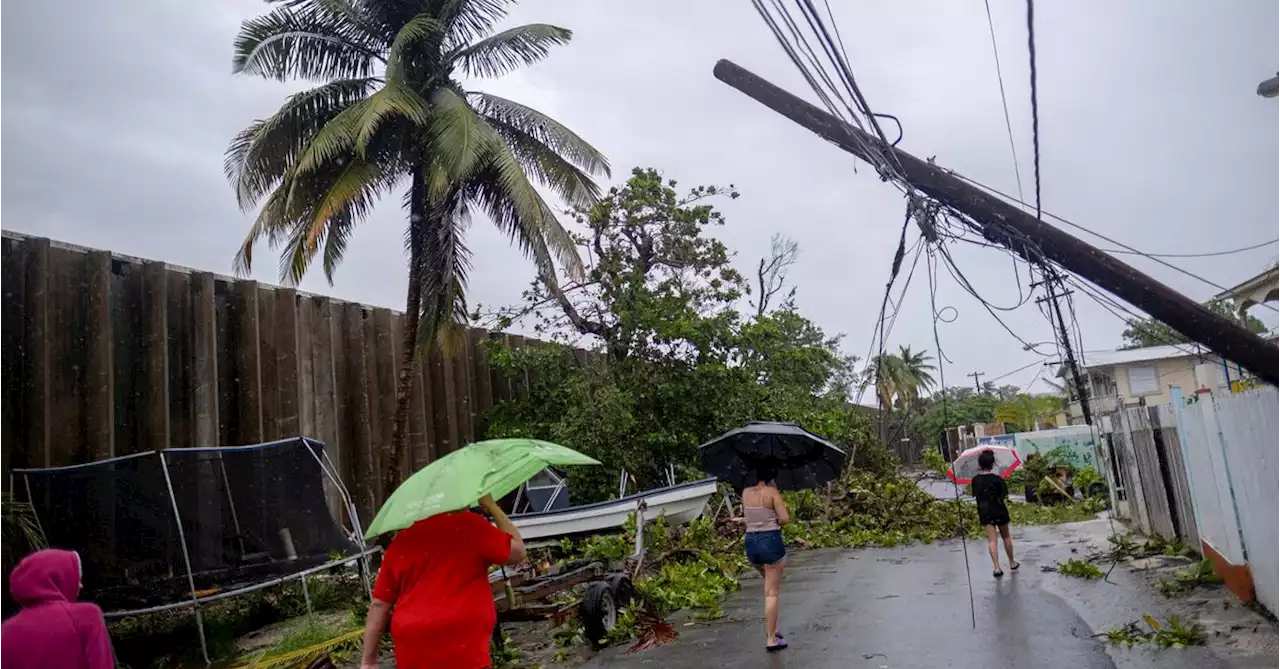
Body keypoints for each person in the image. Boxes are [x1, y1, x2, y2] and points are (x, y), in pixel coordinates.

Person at [359, 494, 527, 669]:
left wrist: (369, 661)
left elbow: (379, 605)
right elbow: (518, 552)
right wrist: (492, 506)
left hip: (413, 638)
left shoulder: (402, 541)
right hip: (462, 638)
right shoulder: (471, 527)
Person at [0, 548, 115, 669]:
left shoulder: (5, 631)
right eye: (76, 578)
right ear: (59, 578)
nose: (80, 585)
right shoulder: (87, 617)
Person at [741, 467, 790, 652]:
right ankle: (771, 638)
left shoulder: (745, 493)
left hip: (751, 544)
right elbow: (785, 518)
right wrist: (775, 520)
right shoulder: (772, 492)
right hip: (770, 542)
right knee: (771, 593)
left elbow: (748, 517)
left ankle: (774, 628)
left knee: (768, 584)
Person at [971, 449, 1019, 578]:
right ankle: (1012, 562)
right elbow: (1004, 494)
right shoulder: (997, 479)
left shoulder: (975, 480)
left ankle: (997, 568)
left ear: (980, 464)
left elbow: (975, 494)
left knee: (992, 541)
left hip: (985, 512)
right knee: (1006, 537)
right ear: (992, 464)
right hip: (999, 510)